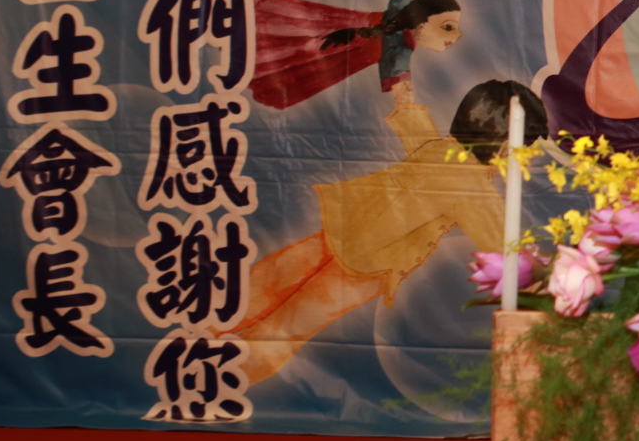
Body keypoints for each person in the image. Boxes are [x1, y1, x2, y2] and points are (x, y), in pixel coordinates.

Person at [225, 78, 546, 383]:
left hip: (352, 241)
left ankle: (217, 357)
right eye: (525, 147)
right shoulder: (473, 186)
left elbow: (419, 135)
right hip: (366, 258)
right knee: (287, 322)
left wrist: (404, 96)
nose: (525, 156)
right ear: (505, 144)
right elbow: (503, 245)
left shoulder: (447, 155)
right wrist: (546, 285)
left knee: (271, 289)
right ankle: (227, 376)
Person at [250, 0, 462, 110]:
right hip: (343, 51)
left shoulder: (400, 12)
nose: (457, 35)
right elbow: (402, 94)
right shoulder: (402, 52)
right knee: (301, 49)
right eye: (448, 27)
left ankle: (256, 47)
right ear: (421, 22)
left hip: (340, 29)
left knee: (298, 36)